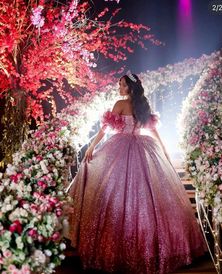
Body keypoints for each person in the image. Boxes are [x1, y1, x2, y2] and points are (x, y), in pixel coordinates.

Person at [67, 73, 206, 274]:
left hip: (121, 148)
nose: (119, 88)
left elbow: (104, 129)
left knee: (112, 186)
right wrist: (164, 151)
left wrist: (91, 147)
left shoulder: (120, 104)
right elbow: (154, 132)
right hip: (143, 147)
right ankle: (153, 251)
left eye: (122, 85)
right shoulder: (144, 106)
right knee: (147, 196)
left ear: (130, 88)